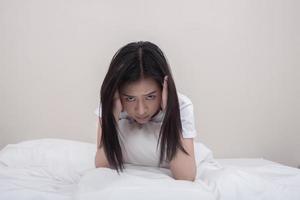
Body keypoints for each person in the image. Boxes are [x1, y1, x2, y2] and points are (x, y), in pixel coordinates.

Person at [94, 41, 197, 181]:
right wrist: (112, 115)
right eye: (130, 98)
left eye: (150, 97)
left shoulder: (181, 105)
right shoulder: (112, 104)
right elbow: (101, 165)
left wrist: (170, 113)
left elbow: (186, 176)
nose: (141, 110)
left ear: (164, 88)